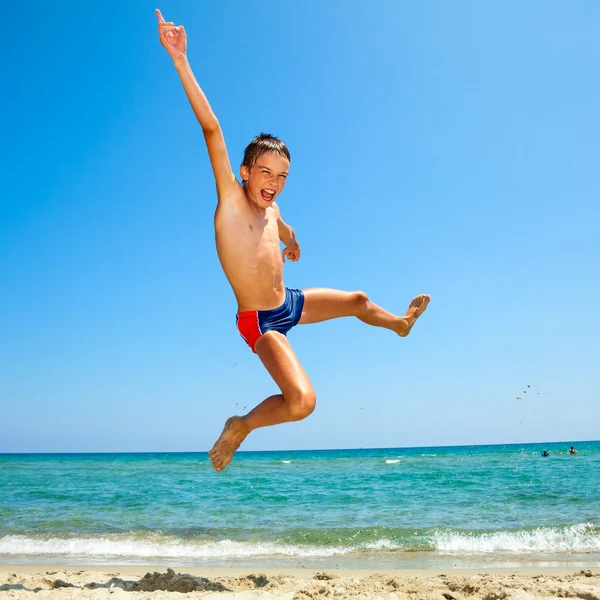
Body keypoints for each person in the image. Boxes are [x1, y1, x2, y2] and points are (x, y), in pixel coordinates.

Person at [155, 9, 431, 472]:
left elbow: (285, 228)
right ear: (245, 173)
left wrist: (293, 244)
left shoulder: (273, 208)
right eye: (265, 172)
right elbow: (212, 129)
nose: (274, 182)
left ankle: (400, 325)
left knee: (360, 300)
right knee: (302, 401)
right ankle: (241, 424)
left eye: (281, 176)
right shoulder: (231, 201)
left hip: (290, 301)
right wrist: (180, 59)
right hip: (260, 320)